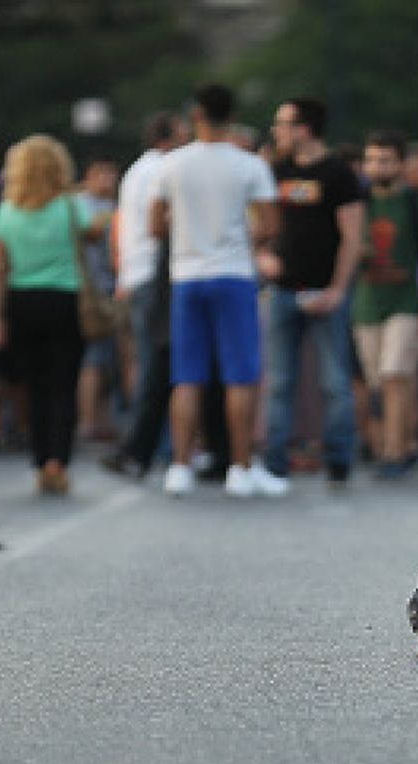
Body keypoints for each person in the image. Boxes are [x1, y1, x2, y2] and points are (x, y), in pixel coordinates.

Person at [151, 82, 281, 499]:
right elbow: (272, 224)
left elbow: (155, 226)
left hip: (187, 275)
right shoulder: (248, 165)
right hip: (233, 273)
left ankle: (180, 466)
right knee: (241, 376)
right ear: (231, 114)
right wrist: (243, 233)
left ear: (196, 114)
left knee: (188, 377)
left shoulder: (171, 165)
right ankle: (240, 468)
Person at [257, 97, 365, 486]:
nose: (276, 130)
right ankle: (274, 463)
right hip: (283, 291)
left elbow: (353, 238)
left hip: (325, 292)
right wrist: (261, 255)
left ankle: (339, 459)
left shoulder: (338, 174)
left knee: (334, 382)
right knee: (280, 382)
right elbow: (257, 224)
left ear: (304, 129)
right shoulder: (275, 169)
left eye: (282, 123)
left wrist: (338, 290)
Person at [0, 135, 89, 495]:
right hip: (64, 299)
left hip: (20, 302)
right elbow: (93, 235)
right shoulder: (71, 206)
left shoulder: (6, 212)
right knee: (63, 385)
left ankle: (39, 456)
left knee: (33, 387)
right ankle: (57, 461)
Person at [104, 110, 187, 480]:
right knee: (157, 365)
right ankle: (141, 448)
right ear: (167, 137)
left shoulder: (137, 169)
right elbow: (164, 222)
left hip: (137, 274)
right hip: (156, 275)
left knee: (153, 363)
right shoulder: (163, 169)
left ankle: (148, 448)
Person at [353, 130, 418, 479]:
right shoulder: (357, 202)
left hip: (408, 300)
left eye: (385, 160)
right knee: (379, 381)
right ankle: (409, 441)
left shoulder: (417, 204)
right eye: (371, 160)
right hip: (367, 303)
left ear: (401, 164)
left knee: (394, 374)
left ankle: (394, 451)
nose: (377, 167)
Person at [75, 153, 123, 444]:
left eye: (112, 173)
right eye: (101, 173)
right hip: (91, 291)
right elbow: (89, 234)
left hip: (112, 287)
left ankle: (105, 421)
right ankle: (87, 422)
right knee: (92, 361)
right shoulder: (81, 206)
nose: (108, 180)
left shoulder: (115, 206)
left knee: (108, 362)